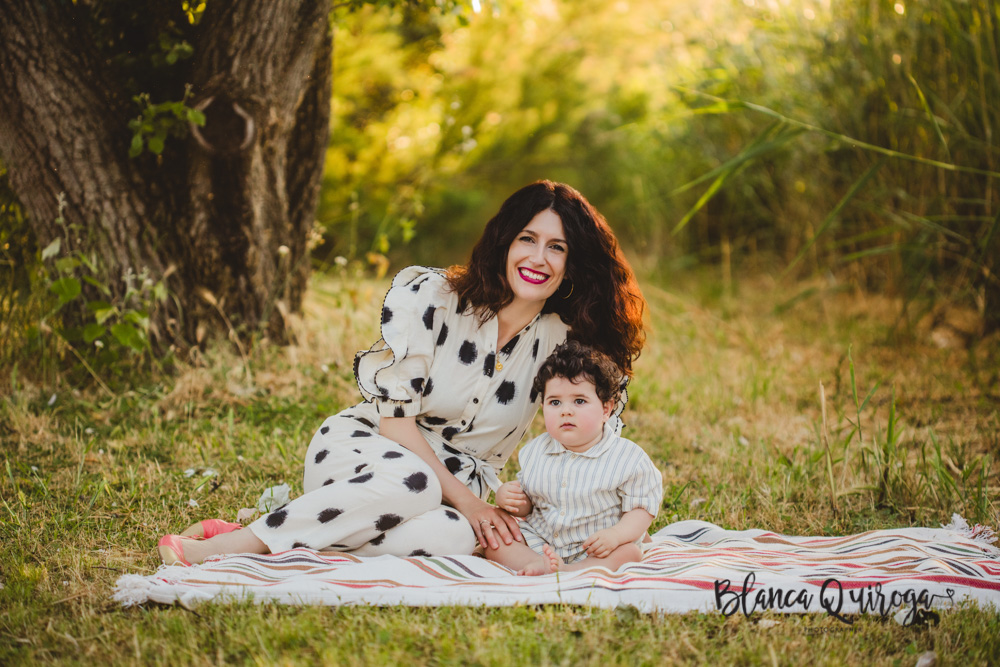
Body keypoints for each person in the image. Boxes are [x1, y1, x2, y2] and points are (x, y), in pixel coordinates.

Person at [157, 180, 646, 566]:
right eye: (527, 239)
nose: (538, 258)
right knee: (417, 483)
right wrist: (471, 503)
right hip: (369, 449)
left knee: (454, 538)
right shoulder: (434, 299)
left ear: (572, 264)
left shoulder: (564, 344)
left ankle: (298, 532)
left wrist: (548, 513)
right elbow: (395, 422)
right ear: (504, 242)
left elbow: (594, 440)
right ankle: (234, 545)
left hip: (458, 490)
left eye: (557, 247)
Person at [485, 340, 662, 575]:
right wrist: (511, 499)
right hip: (542, 541)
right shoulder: (535, 452)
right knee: (495, 538)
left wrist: (616, 535)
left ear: (606, 409)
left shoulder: (628, 459)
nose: (565, 411)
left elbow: (642, 509)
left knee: (630, 553)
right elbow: (530, 504)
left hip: (597, 546)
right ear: (543, 407)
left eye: (579, 401)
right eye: (555, 402)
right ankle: (541, 563)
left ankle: (574, 570)